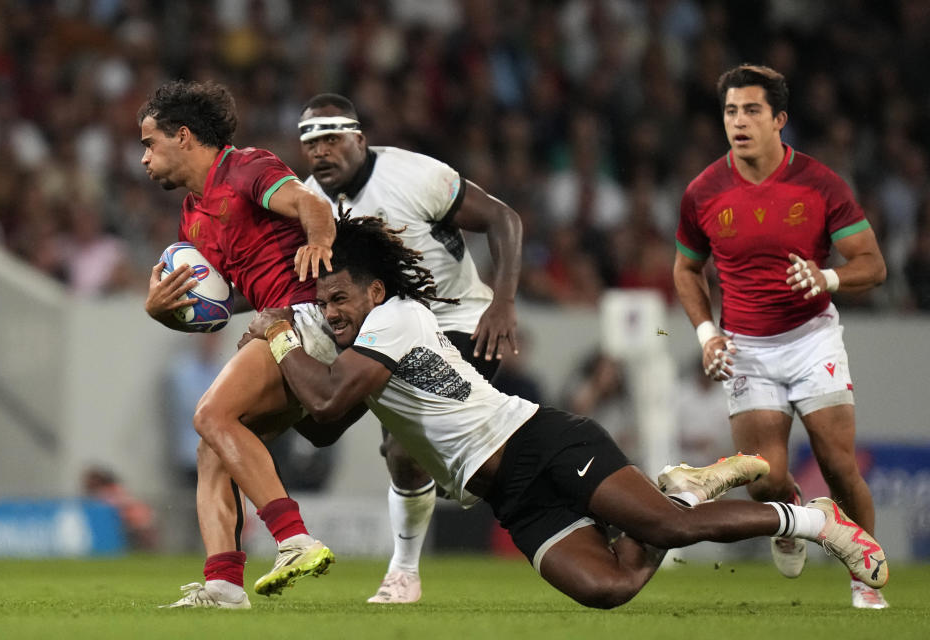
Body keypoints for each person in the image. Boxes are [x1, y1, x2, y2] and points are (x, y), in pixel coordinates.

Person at [246, 213, 888, 609]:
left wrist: (277, 338)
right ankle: (686, 493)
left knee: (668, 532)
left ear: (375, 290)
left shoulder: (397, 317)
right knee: (610, 589)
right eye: (321, 303)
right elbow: (324, 422)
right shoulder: (360, 343)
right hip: (507, 494)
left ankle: (813, 521)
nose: (330, 312)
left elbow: (328, 396)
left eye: (339, 297)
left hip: (540, 441)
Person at [672, 65, 889, 609]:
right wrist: (706, 334)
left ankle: (865, 578)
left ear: (779, 120)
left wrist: (828, 277)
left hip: (812, 338)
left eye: (751, 111)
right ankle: (790, 513)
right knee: (764, 480)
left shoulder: (819, 183)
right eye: (730, 111)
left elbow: (873, 264)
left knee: (840, 467)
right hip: (746, 349)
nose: (739, 122)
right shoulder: (703, 192)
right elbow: (685, 269)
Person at [297, 93, 524, 603]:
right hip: (385, 325)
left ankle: (578, 496)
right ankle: (404, 572)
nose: (320, 153)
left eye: (331, 139)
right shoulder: (310, 201)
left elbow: (503, 218)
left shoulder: (414, 174)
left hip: (458, 318)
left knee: (467, 458)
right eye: (310, 144)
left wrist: (503, 301)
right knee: (395, 450)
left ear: (359, 138)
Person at [138, 80, 340, 609]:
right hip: (274, 322)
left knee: (210, 415)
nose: (143, 158)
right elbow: (221, 308)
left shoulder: (247, 168)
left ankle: (294, 538)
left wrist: (318, 241)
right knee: (213, 449)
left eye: (149, 143)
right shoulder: (191, 216)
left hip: (308, 316)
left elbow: (310, 204)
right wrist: (165, 313)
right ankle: (224, 583)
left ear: (183, 137)